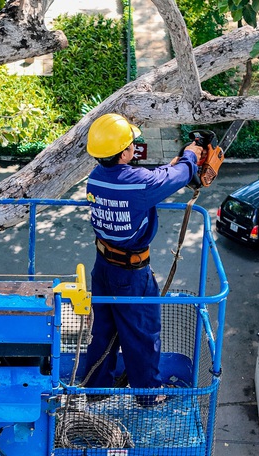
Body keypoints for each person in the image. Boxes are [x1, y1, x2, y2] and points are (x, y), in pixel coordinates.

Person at [83, 113, 205, 405]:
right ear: (125, 152)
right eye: (132, 144)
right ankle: (149, 394)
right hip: (131, 273)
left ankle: (95, 390)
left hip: (103, 267)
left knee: (104, 330)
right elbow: (177, 177)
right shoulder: (139, 183)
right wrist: (191, 154)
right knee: (142, 334)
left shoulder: (96, 178)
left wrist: (168, 166)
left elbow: (150, 179)